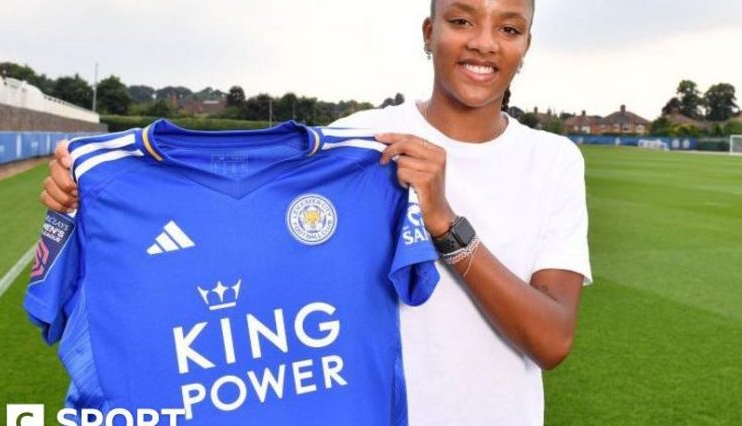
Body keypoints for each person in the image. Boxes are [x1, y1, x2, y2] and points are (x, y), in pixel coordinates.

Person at [41, 0, 591, 424]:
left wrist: (444, 223)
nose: (485, 44)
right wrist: (84, 187)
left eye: (509, 28)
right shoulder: (357, 142)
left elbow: (552, 341)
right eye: (462, 21)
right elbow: (234, 217)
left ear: (526, 44)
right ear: (430, 33)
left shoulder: (553, 160)